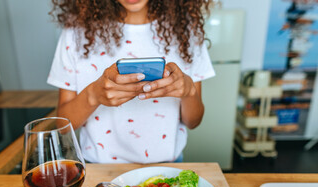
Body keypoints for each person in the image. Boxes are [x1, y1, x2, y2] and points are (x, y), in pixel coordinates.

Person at [48, 0, 215, 164]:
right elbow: (63, 123)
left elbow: (193, 121)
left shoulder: (186, 30)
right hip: (99, 171)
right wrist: (93, 95)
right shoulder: (76, 33)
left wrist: (189, 92)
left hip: (167, 167)